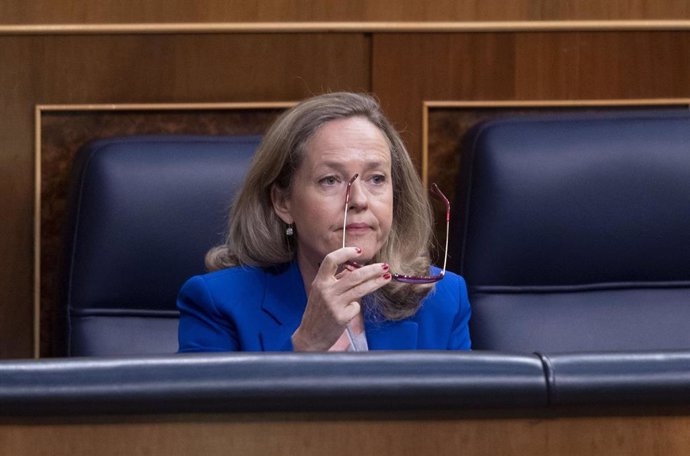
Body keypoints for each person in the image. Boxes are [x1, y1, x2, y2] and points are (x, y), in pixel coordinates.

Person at [177, 92, 471, 352]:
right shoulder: (218, 303)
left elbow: (467, 415)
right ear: (283, 202)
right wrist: (305, 345)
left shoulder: (441, 299)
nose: (359, 199)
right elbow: (206, 415)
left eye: (376, 178)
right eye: (330, 180)